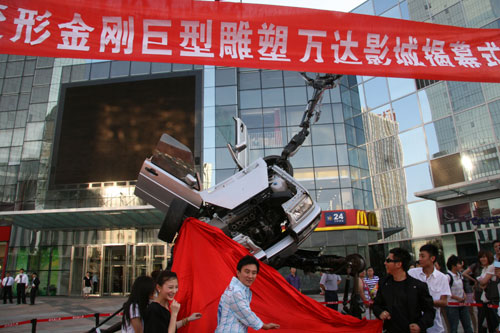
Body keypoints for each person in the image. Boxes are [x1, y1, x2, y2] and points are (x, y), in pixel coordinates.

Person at [373, 247, 435, 333]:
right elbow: (376, 305)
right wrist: (380, 312)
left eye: (388, 260)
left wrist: (420, 325)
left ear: (398, 264)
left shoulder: (418, 286)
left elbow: (430, 311)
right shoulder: (384, 283)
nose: (385, 263)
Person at [215, 255, 280, 332]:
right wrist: (264, 326)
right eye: (247, 272)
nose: (250, 276)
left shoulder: (237, 289)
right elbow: (246, 314)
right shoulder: (236, 291)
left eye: (254, 273)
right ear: (238, 272)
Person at [408, 243, 451, 333]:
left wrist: (425, 302)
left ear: (432, 258)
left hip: (434, 326)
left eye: (423, 256)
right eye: (419, 256)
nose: (420, 259)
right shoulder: (412, 273)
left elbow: (444, 302)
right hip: (413, 325)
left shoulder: (442, 278)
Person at [463, 250, 498, 333]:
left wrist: (482, 282)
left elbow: (483, 282)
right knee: (487, 321)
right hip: (485, 297)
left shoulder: (492, 266)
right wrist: (481, 282)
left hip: (493, 299)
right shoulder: (484, 268)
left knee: (494, 323)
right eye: (481, 257)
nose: (482, 259)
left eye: (484, 257)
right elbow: (481, 284)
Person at [445, 255, 473, 333]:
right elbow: (446, 292)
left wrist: (464, 295)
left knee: (468, 326)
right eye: (459, 264)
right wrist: (457, 298)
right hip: (452, 306)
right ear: (453, 265)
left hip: (462, 305)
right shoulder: (448, 277)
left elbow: (462, 287)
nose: (461, 265)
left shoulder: (460, 275)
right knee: (454, 328)